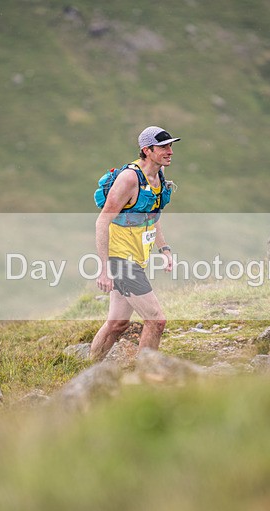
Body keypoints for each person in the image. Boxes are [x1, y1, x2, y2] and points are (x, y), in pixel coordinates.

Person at [89, 126, 180, 361]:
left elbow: (152, 215)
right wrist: (104, 270)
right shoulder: (129, 179)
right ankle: (145, 375)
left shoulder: (158, 174)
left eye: (170, 146)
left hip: (137, 257)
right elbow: (102, 222)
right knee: (156, 320)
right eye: (163, 147)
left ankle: (88, 367)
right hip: (121, 260)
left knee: (117, 323)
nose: (170, 151)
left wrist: (164, 249)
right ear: (147, 150)